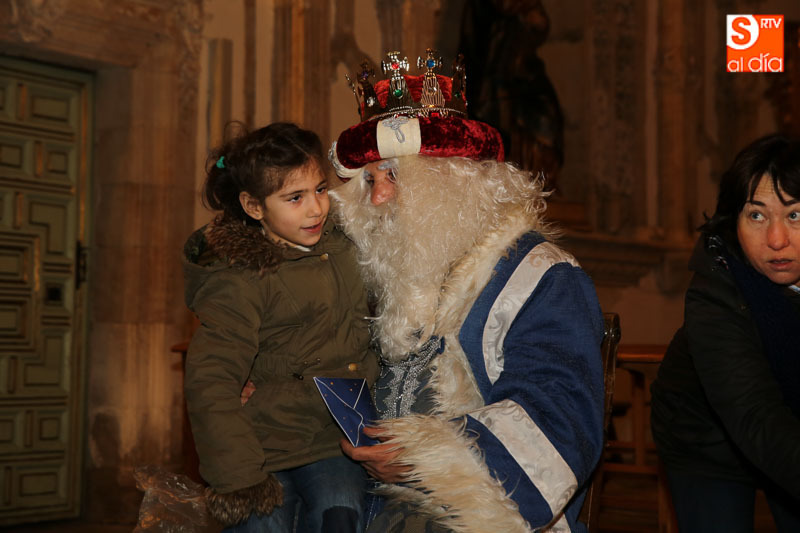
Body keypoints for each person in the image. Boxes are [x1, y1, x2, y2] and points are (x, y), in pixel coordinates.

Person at [328, 51, 605, 532]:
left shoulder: (542, 277)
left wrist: (423, 457)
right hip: (366, 499)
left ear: (453, 180)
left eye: (394, 175)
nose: (377, 197)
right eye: (369, 180)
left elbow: (561, 420)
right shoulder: (383, 274)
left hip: (479, 512)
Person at [181, 122, 378, 532]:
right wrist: (239, 478)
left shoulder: (347, 244)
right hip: (262, 443)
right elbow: (213, 377)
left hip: (332, 440)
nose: (316, 208)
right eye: (295, 197)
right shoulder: (239, 276)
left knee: (342, 511)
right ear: (254, 207)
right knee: (261, 523)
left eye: (320, 189)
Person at [650, 133, 800, 532]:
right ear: (734, 221)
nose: (776, 240)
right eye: (757, 216)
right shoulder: (715, 289)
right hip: (705, 439)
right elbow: (755, 416)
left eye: (795, 215)